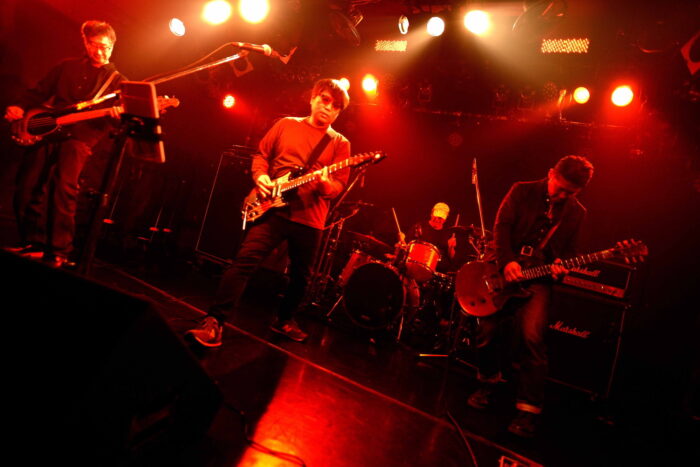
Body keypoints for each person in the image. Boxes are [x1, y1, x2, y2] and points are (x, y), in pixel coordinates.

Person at [187, 78, 351, 346]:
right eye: (325, 100)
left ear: (338, 113)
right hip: (270, 209)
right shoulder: (285, 124)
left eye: (335, 106)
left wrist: (325, 184)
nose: (328, 107)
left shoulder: (340, 144)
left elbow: (338, 187)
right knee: (243, 262)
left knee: (301, 278)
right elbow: (261, 155)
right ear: (313, 99)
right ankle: (214, 321)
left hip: (309, 219)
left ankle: (284, 320)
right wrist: (260, 177)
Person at [467, 155, 594, 438]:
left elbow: (570, 251)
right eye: (560, 188)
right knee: (486, 330)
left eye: (570, 193)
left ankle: (528, 410)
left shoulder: (577, 213)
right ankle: (488, 382)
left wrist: (561, 266)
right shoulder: (522, 191)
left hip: (538, 278)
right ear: (551, 173)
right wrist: (507, 261)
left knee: (532, 338)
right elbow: (502, 227)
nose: (563, 196)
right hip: (503, 269)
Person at [4, 20, 124, 268]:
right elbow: (39, 92)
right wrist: (20, 106)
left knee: (63, 188)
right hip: (49, 131)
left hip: (81, 138)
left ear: (113, 46)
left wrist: (116, 117)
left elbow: (117, 122)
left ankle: (59, 250)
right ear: (85, 43)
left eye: (105, 47)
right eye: (94, 45)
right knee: (27, 186)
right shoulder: (66, 67)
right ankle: (33, 243)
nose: (99, 52)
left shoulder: (118, 82)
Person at [399, 202, 458, 274]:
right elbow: (406, 247)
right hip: (417, 267)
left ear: (445, 219)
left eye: (440, 218)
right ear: (431, 214)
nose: (437, 219)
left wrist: (451, 247)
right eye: (435, 216)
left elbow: (452, 257)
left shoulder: (448, 234)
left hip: (439, 272)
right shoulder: (419, 227)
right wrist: (402, 240)